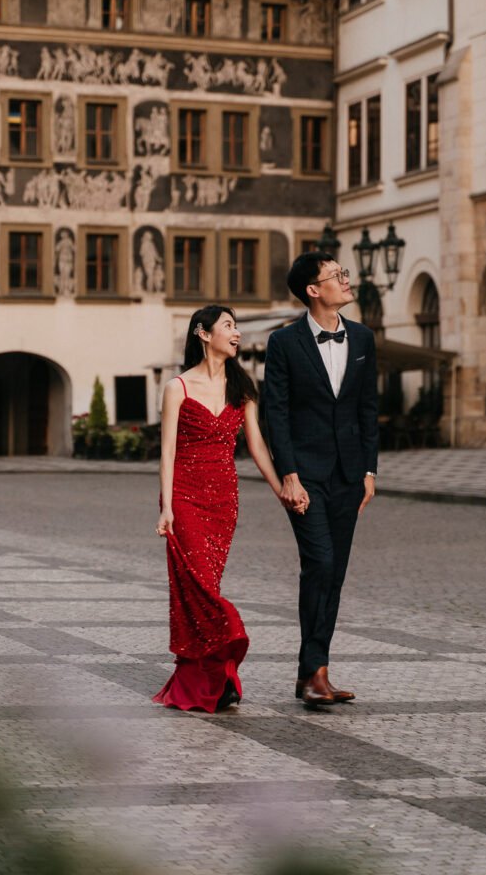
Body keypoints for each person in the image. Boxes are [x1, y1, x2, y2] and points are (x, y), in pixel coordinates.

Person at [153, 304, 291, 712]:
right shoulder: (177, 387)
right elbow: (167, 453)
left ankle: (210, 676)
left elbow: (257, 446)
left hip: (223, 499)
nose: (236, 333)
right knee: (196, 586)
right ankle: (222, 670)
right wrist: (165, 508)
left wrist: (281, 486)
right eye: (228, 326)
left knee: (206, 587)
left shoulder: (243, 388)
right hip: (183, 495)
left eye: (237, 327)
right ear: (202, 333)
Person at [264, 251, 378, 708]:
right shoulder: (284, 343)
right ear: (313, 290)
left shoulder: (364, 338)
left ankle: (316, 672)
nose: (346, 281)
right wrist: (288, 476)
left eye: (343, 274)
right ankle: (312, 671)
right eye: (336, 276)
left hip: (350, 476)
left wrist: (369, 471)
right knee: (321, 564)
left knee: (335, 574)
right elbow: (276, 413)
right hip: (306, 477)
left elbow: (368, 409)